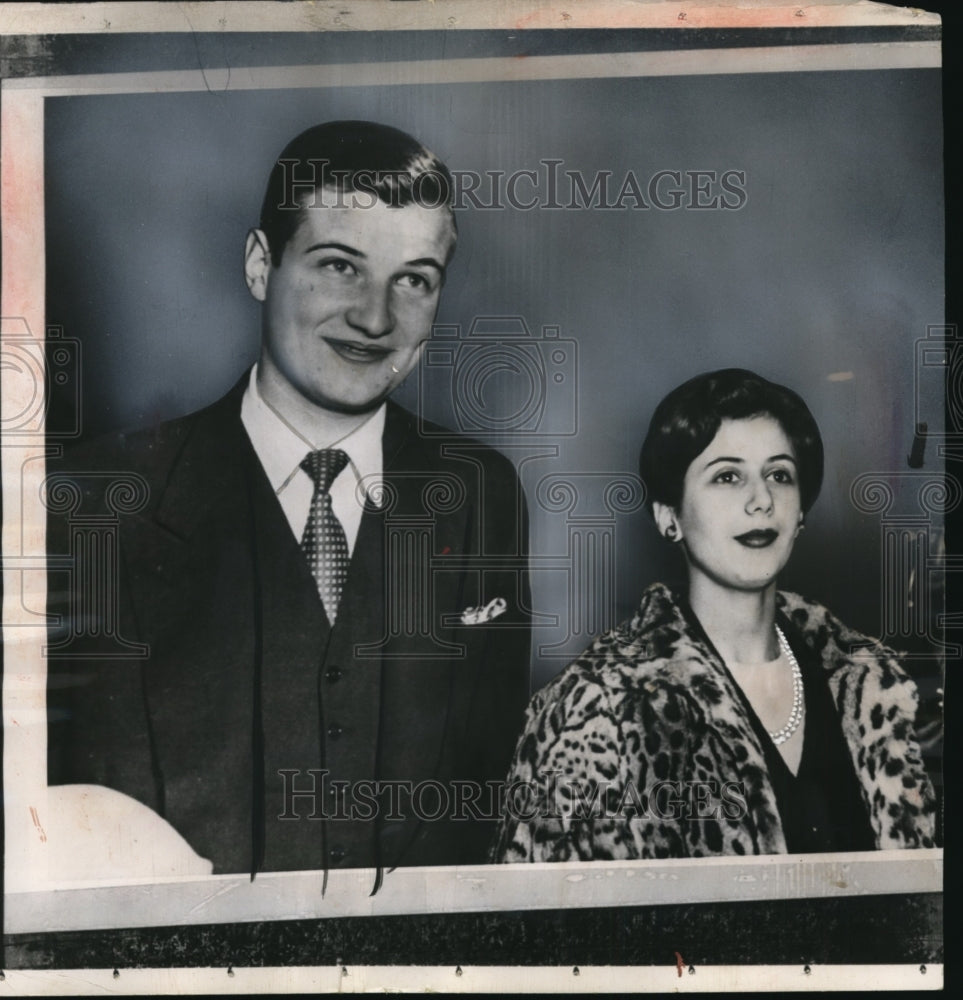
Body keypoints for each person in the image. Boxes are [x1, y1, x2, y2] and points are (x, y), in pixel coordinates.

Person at [46, 121, 532, 879]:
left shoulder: (480, 494)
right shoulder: (91, 505)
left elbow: (489, 796)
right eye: (340, 266)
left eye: (413, 279)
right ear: (258, 265)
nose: (375, 318)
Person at [492, 369, 935, 861]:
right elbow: (539, 902)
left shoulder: (871, 684)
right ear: (669, 515)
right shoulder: (599, 706)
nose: (761, 501)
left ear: (800, 515)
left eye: (779, 475)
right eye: (727, 476)